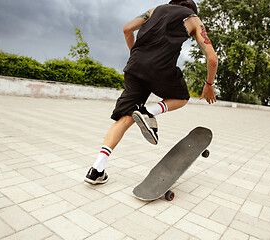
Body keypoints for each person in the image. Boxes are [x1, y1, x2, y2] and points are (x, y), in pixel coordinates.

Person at [84, 0, 218, 184]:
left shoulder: (155, 10)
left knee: (125, 117)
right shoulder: (193, 19)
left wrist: (135, 55)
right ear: (190, 9)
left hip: (135, 67)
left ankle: (97, 169)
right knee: (181, 97)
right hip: (161, 68)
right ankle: (149, 112)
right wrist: (209, 84)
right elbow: (212, 59)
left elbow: (127, 29)